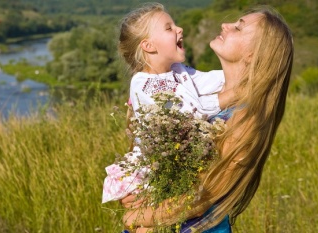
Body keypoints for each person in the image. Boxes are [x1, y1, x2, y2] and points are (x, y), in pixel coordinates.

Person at [121, 5, 294, 233]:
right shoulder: (193, 89)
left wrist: (136, 218)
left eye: (238, 28)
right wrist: (136, 188)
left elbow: (201, 198)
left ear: (253, 54)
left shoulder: (246, 117)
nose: (225, 25)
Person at [102, 3, 234, 205]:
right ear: (149, 46)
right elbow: (189, 113)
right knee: (155, 218)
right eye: (168, 28)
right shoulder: (144, 84)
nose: (179, 29)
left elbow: (208, 80)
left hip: (177, 162)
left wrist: (242, 73)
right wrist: (234, 94)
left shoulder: (178, 70)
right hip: (154, 170)